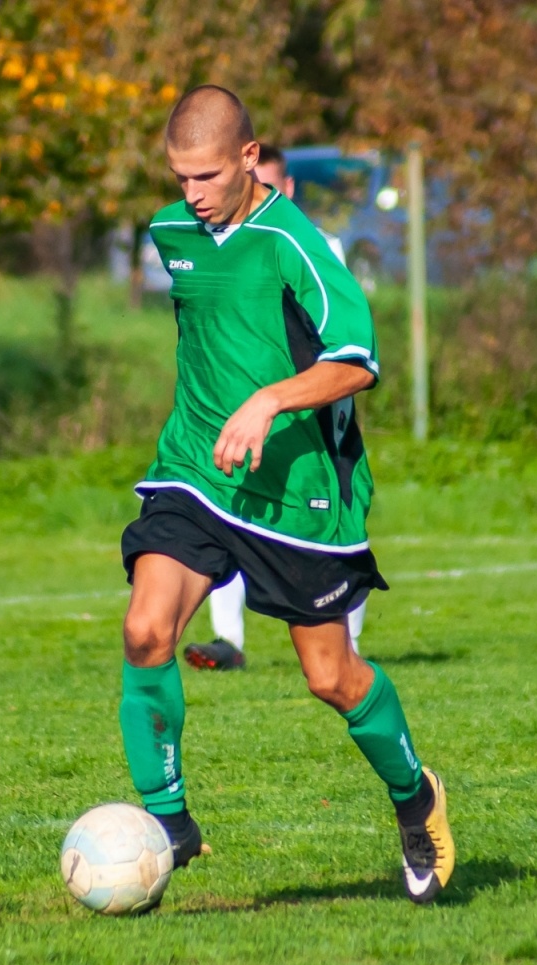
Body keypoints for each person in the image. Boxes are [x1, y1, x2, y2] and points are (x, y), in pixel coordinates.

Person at [118, 86, 453, 903]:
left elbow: (358, 360)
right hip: (197, 467)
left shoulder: (295, 244)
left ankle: (416, 798)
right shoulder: (171, 233)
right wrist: (223, 411)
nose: (190, 193)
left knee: (331, 677)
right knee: (145, 629)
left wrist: (268, 400)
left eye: (205, 175)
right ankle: (170, 823)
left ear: (247, 156)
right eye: (176, 176)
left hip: (298, 490)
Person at [183, 143, 367, 671]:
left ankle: (348, 654)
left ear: (283, 189)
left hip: (313, 425)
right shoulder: (209, 240)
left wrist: (286, 394)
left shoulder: (314, 245)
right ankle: (229, 643)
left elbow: (347, 346)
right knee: (224, 505)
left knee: (335, 539)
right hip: (241, 419)